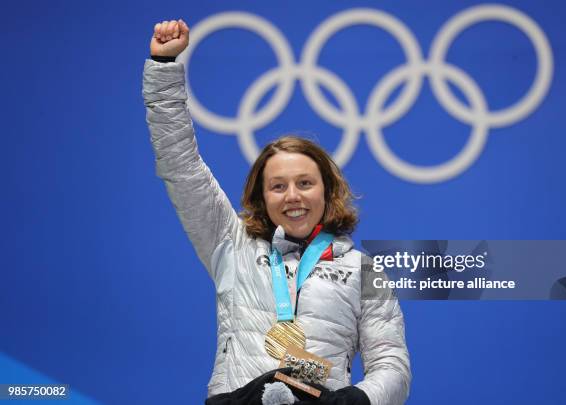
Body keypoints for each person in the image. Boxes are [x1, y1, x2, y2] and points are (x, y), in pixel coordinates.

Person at [143, 19, 411, 405]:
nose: (292, 196)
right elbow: (180, 166)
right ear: (261, 195)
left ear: (327, 190)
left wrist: (357, 400)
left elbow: (391, 363)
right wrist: (164, 69)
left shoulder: (363, 271)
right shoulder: (231, 243)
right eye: (278, 186)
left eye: (305, 183)